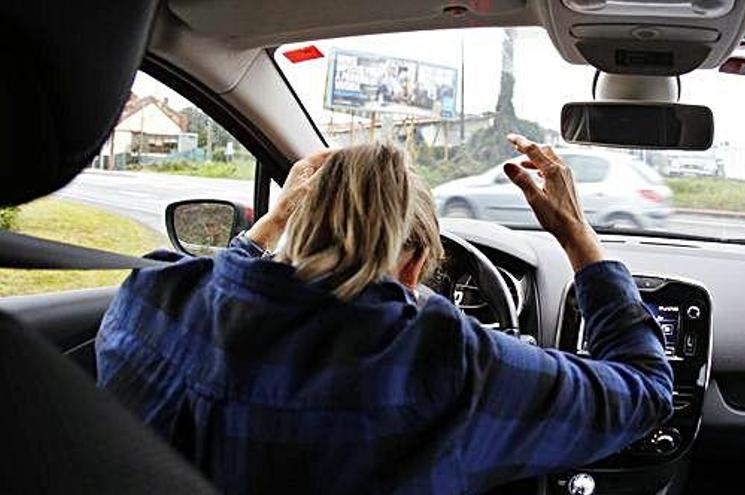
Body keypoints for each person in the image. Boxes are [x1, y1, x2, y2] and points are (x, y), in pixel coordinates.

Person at [96, 136, 673, 494]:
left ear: (293, 227)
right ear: (415, 265)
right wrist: (576, 236)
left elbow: (225, 286)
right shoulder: (443, 362)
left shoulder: (149, 296)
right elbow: (644, 391)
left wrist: (270, 225)